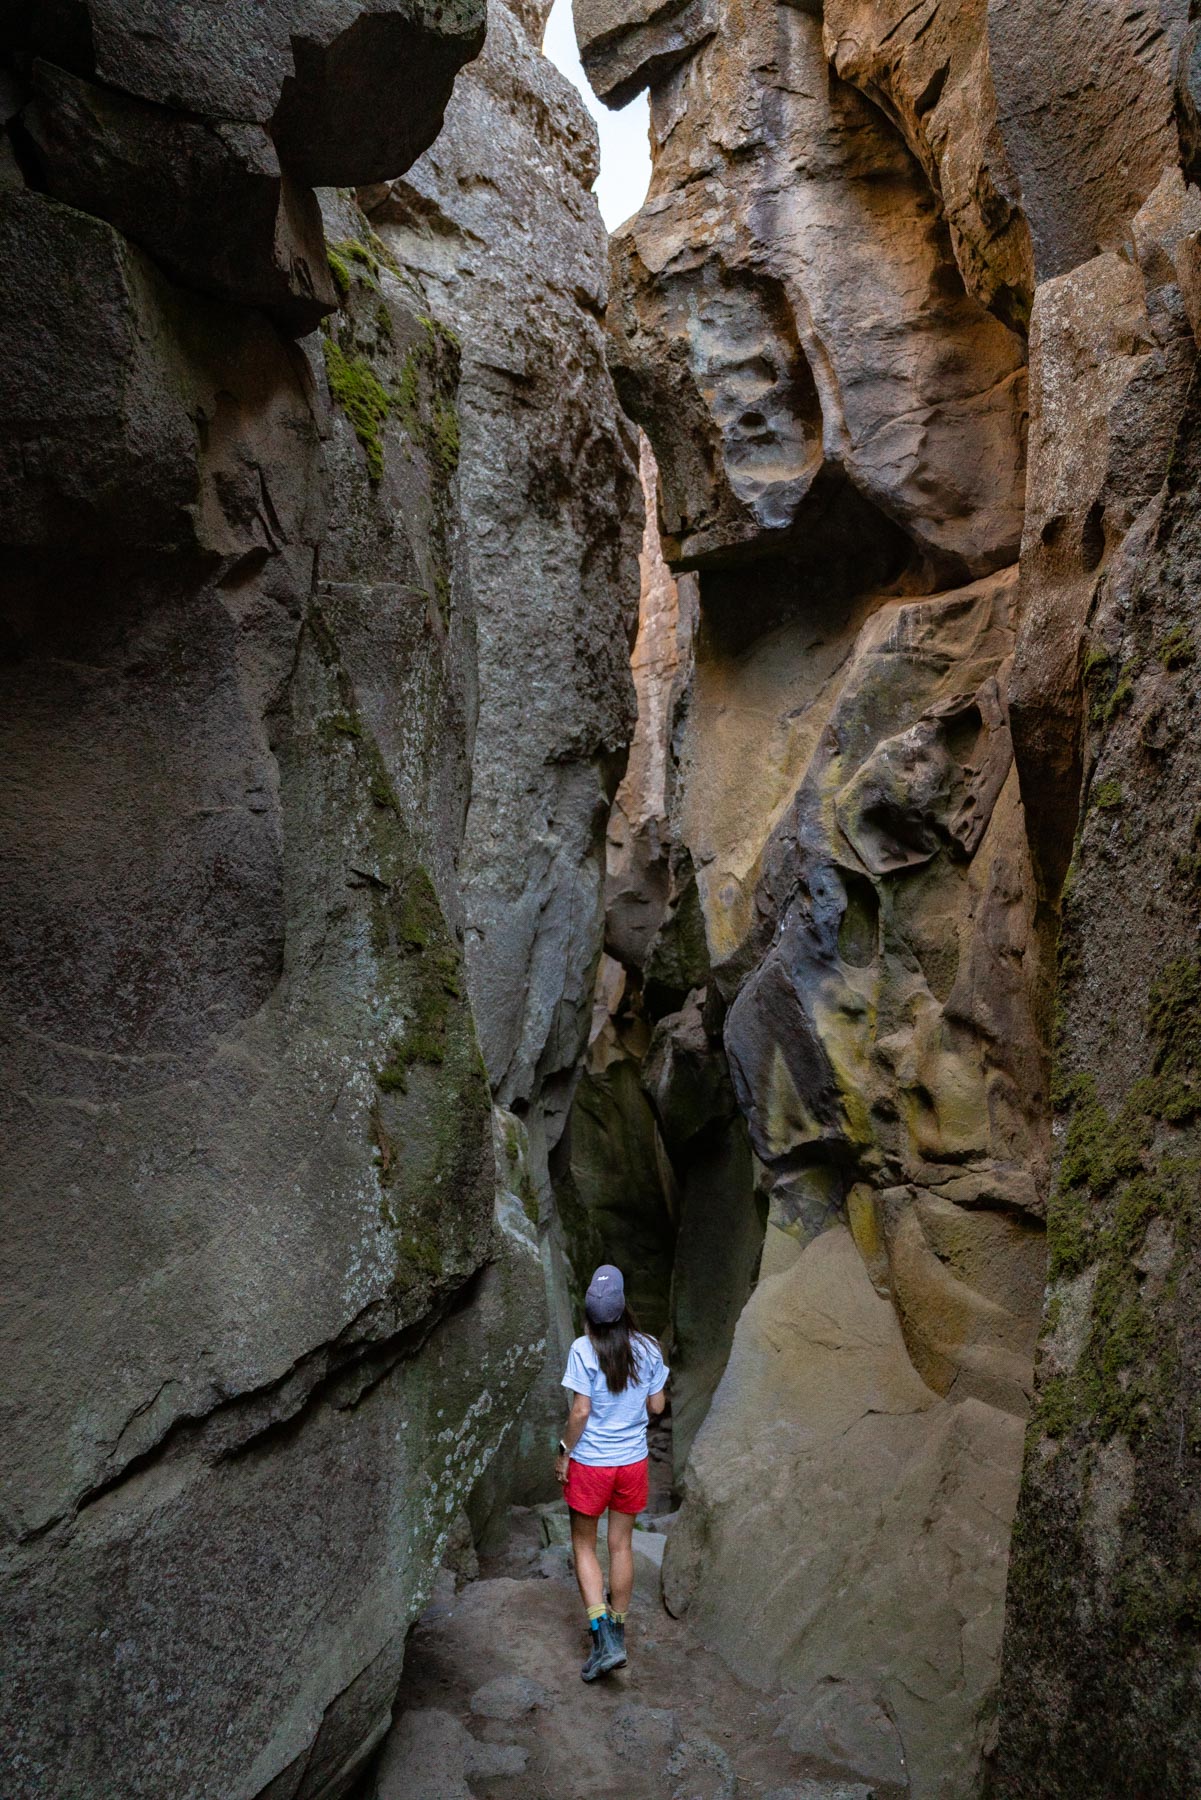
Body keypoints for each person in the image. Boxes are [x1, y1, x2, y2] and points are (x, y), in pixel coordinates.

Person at [555, 1264, 669, 1682]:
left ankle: (603, 1638)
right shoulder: (649, 1347)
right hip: (631, 1463)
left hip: (592, 1465)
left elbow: (580, 1411)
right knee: (621, 1546)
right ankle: (618, 1631)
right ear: (623, 1307)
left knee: (584, 1546)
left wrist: (564, 1451)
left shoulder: (582, 1349)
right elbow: (657, 1406)